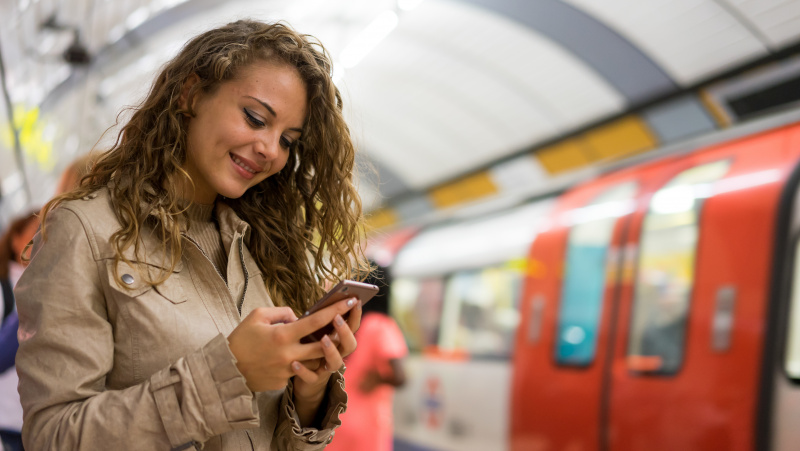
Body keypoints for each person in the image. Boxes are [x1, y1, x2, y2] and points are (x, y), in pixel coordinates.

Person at [14, 19, 370, 451]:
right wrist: (229, 373)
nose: (271, 150)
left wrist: (308, 396)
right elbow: (53, 437)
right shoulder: (86, 231)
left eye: (289, 141)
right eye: (256, 118)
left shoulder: (264, 250)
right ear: (190, 93)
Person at [327, 262, 408, 451]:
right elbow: (401, 376)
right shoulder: (381, 325)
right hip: (367, 428)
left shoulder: (351, 324)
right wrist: (378, 377)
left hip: (337, 420)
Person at [0, 211, 40, 451]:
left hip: (37, 412)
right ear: (15, 241)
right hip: (13, 415)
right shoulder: (5, 289)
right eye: (35, 232)